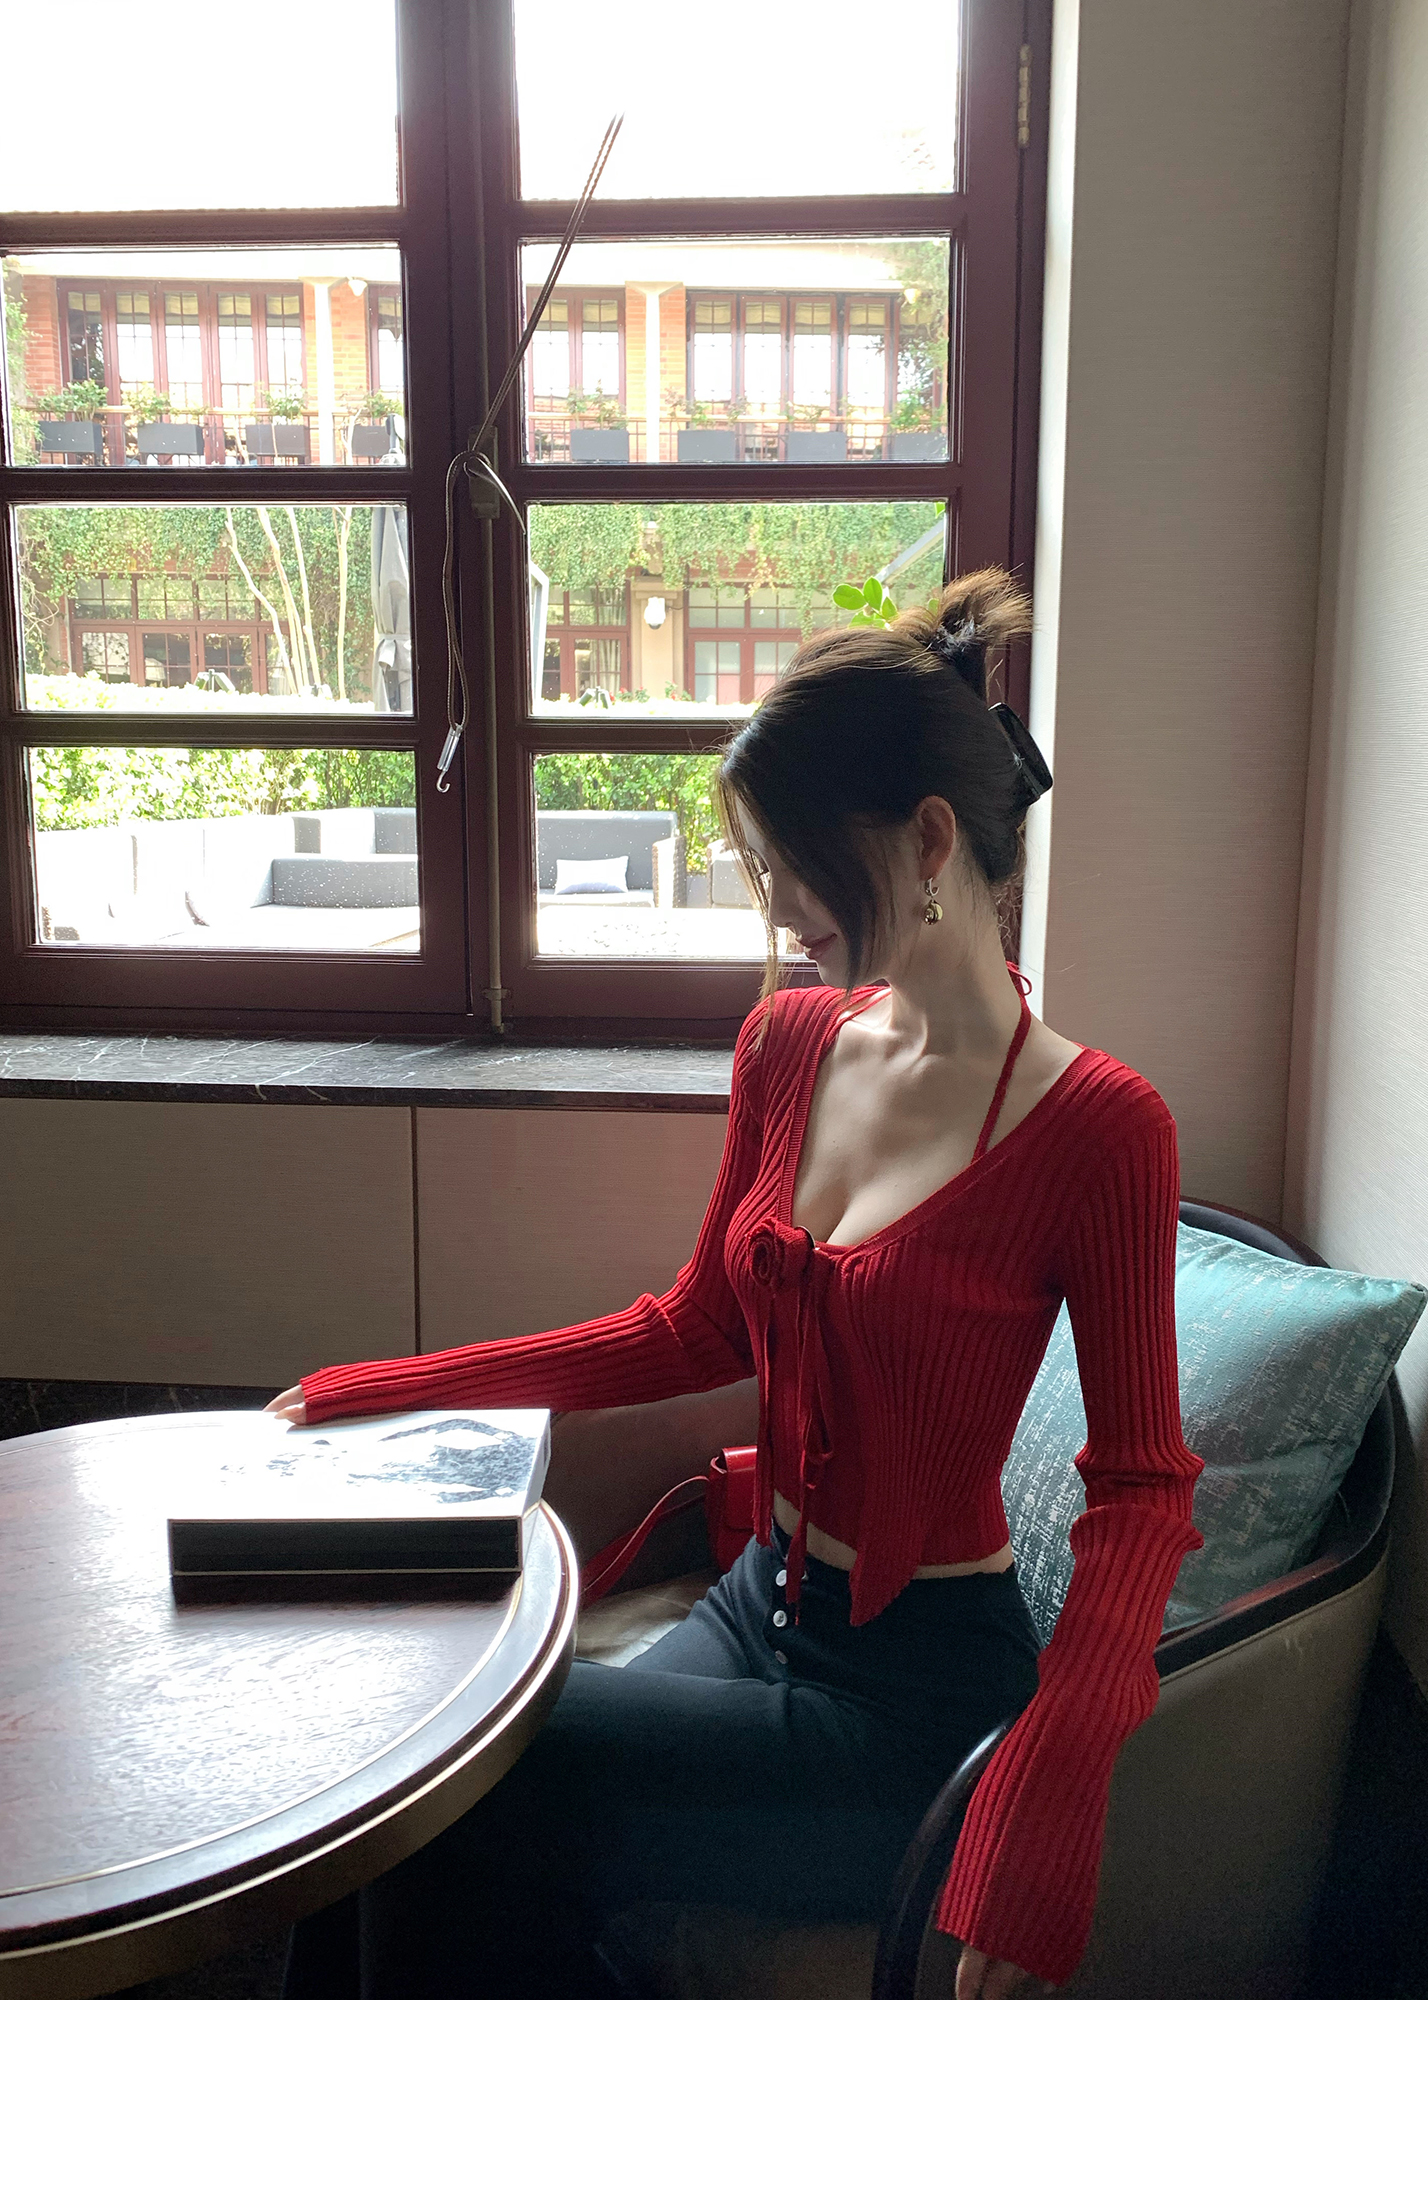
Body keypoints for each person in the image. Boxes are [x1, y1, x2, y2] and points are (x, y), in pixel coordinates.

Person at [268, 568, 1204, 2000]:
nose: (774, 909)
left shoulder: (1100, 1127)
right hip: (756, 1601)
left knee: (451, 1768)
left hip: (914, 1703)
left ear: (928, 842)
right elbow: (694, 1324)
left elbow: (1142, 1492)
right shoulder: (788, 1044)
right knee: (448, 1819)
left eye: (792, 866)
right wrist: (383, 1391)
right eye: (760, 867)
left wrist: (1048, 1796)